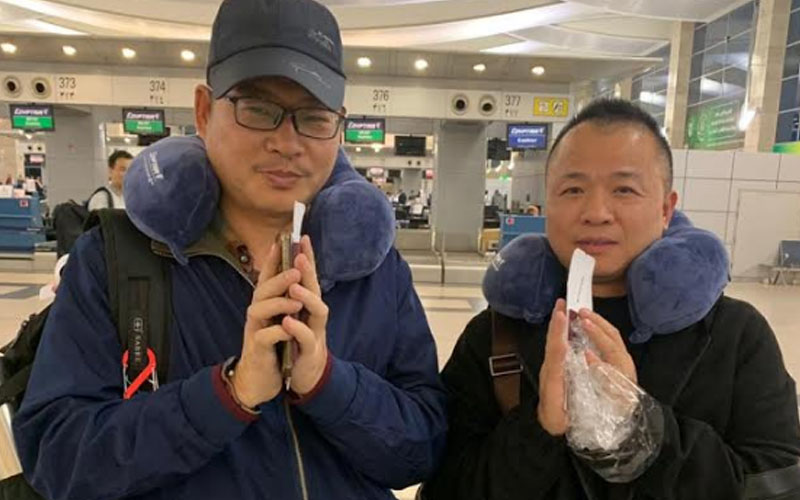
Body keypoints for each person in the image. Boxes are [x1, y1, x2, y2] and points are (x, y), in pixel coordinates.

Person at [13, 0, 447, 499]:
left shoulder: (375, 267)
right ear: (204, 111)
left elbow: (423, 447)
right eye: (258, 109)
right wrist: (229, 395)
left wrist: (327, 381)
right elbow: (59, 457)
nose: (287, 142)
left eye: (314, 117)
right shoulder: (117, 259)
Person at [423, 99, 800, 499]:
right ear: (548, 205)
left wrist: (643, 431)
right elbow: (444, 488)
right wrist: (538, 429)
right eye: (573, 189)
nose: (596, 212)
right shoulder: (496, 334)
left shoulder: (732, 335)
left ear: (666, 208)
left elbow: (780, 485)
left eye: (624, 189)